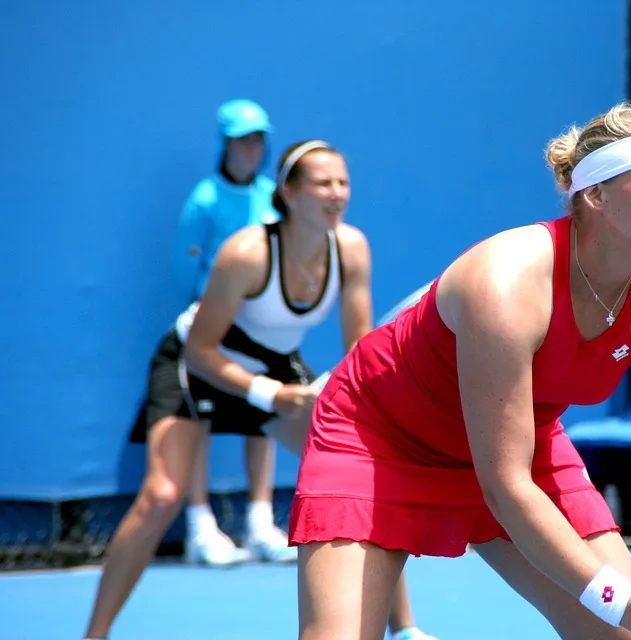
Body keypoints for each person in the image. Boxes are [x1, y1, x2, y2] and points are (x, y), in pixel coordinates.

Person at [289, 103, 631, 640]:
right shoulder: (504, 283)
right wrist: (618, 599)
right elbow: (505, 486)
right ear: (594, 195)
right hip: (380, 438)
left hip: (519, 445)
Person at [84, 140, 437, 640]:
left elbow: (361, 349)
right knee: (162, 495)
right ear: (288, 193)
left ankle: (404, 629)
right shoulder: (246, 253)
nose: (336, 194)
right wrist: (268, 395)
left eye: (343, 183)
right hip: (198, 362)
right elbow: (200, 351)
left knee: (361, 474)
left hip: (273, 367)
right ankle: (93, 635)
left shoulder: (352, 249)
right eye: (322, 183)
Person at [166, 98, 293, 565]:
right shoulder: (204, 198)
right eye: (242, 139)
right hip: (213, 326)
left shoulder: (271, 197)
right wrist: (205, 310)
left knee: (263, 414)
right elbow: (185, 266)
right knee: (200, 419)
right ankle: (201, 527)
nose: (252, 148)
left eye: (258, 138)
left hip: (260, 327)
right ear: (225, 144)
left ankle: (261, 523)